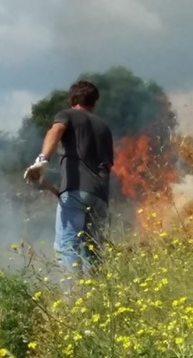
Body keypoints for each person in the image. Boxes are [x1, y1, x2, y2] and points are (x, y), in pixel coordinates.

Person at [23, 80, 114, 276]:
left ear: (72, 99)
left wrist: (42, 160)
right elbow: (105, 164)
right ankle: (98, 294)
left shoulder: (67, 115)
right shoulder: (104, 127)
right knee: (94, 249)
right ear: (94, 102)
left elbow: (55, 131)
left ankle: (73, 295)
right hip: (100, 195)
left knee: (68, 245)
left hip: (76, 191)